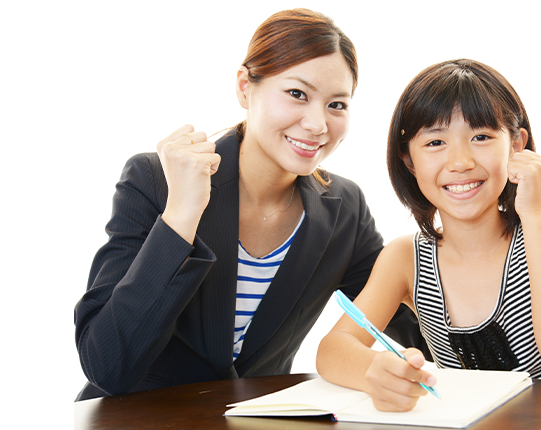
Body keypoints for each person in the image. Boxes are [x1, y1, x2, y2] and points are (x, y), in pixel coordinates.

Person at [73, 8, 429, 401]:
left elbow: (418, 326)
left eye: (337, 104)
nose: (317, 124)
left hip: (251, 421)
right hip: (134, 420)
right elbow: (107, 364)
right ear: (245, 87)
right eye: (297, 94)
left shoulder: (345, 209)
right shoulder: (156, 180)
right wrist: (181, 216)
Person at [316, 59, 541, 412]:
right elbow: (332, 350)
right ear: (408, 159)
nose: (460, 162)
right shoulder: (406, 258)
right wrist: (375, 370)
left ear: (516, 144)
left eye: (481, 137)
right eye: (435, 142)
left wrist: (535, 214)